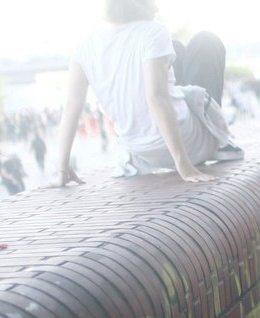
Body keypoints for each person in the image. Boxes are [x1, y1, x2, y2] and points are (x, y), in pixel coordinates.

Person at [54, 0, 242, 187]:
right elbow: (156, 96)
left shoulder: (84, 44)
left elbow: (72, 106)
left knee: (175, 48)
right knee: (206, 40)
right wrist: (184, 165)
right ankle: (220, 141)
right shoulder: (153, 31)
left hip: (141, 153)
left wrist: (62, 168)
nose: (157, 8)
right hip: (189, 145)